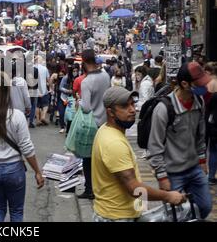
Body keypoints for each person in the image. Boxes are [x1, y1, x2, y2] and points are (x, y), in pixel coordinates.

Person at [92, 86, 186, 222]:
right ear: (110, 112)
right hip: (117, 217)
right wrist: (168, 196)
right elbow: (134, 188)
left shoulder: (106, 130)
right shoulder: (114, 143)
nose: (132, 110)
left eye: (132, 103)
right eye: (125, 106)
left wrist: (141, 208)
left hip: (116, 212)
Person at [0, 71, 45, 222]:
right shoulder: (17, 116)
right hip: (14, 169)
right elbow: (27, 148)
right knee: (16, 211)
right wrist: (37, 171)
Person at [147, 62, 213, 219]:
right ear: (184, 84)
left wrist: (202, 159)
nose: (204, 87)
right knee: (176, 215)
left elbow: (200, 135)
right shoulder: (164, 108)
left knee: (205, 206)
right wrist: (162, 176)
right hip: (172, 173)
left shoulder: (199, 102)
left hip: (194, 169)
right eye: (199, 84)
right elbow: (154, 146)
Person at [78, 49, 111, 200]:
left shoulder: (86, 82)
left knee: (88, 158)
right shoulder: (105, 75)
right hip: (106, 122)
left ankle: (90, 189)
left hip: (92, 125)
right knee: (102, 157)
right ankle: (103, 187)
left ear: (84, 62)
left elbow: (85, 108)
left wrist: (79, 101)